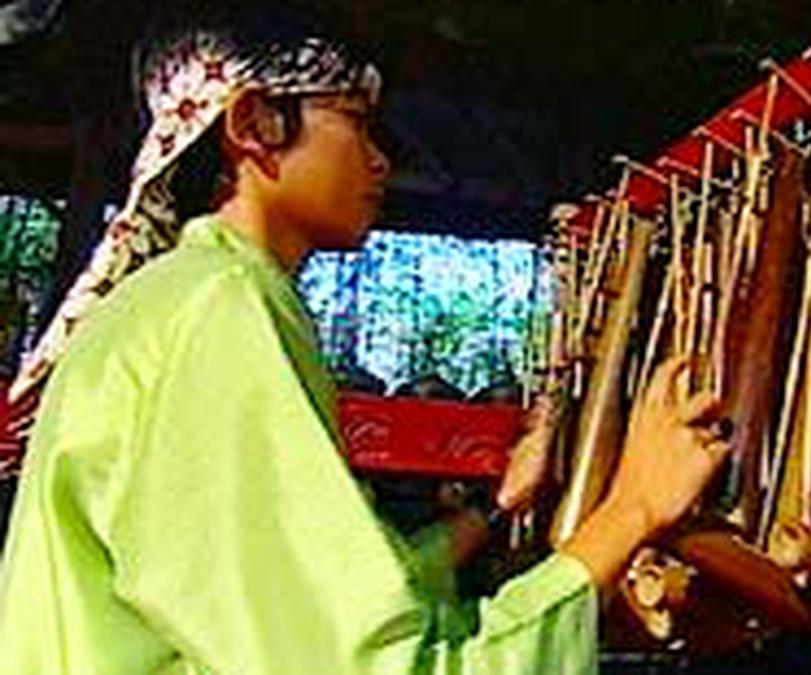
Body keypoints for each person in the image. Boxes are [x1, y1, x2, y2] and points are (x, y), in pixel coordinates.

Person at [0, 8, 731, 674]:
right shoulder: (218, 311)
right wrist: (632, 508)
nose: (381, 159)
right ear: (254, 123)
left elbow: (305, 602)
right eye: (356, 121)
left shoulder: (177, 299)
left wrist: (495, 508)